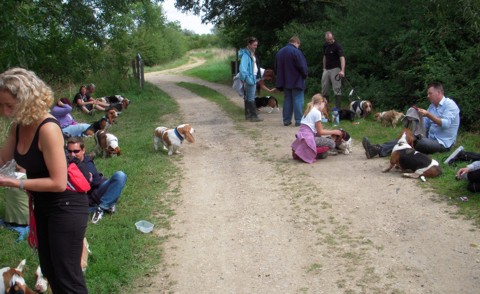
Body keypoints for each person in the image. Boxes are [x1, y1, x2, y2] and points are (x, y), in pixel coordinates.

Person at [0, 67, 89, 293]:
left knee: (67, 276)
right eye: (1, 105)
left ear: (28, 100)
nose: (5, 112)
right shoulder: (19, 126)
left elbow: (58, 182)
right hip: (43, 205)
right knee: (50, 271)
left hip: (66, 205)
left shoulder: (48, 128)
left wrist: (14, 182)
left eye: (10, 105)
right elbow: (2, 159)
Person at [363, 82, 460, 158]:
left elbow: (446, 124)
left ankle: (402, 152)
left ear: (438, 92)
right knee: (407, 137)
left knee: (419, 142)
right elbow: (425, 125)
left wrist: (428, 115)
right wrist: (416, 120)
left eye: (430, 93)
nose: (428, 96)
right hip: (430, 139)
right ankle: (377, 149)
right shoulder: (433, 106)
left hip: (443, 144)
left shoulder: (450, 105)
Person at [66, 137, 127, 224]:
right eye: (69, 151)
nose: (72, 154)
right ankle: (108, 204)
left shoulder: (87, 162)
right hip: (85, 198)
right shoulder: (66, 163)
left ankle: (101, 208)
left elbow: (90, 177)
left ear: (83, 150)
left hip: (99, 190)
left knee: (120, 176)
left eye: (76, 151)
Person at [291, 94, 342, 163]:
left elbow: (316, 132)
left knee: (325, 140)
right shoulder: (317, 112)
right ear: (321, 102)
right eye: (324, 105)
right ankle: (311, 153)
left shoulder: (308, 110)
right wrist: (334, 131)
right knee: (332, 143)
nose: (324, 108)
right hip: (309, 139)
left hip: (303, 138)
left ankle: (303, 151)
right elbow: (320, 132)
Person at [275, 36, 308, 126]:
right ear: (296, 42)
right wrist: (305, 75)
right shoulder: (296, 52)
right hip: (296, 80)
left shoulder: (280, 52)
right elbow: (302, 66)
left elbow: (277, 67)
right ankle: (298, 120)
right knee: (298, 99)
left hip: (285, 80)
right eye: (298, 45)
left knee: (287, 99)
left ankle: (286, 120)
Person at [238, 36, 263, 122]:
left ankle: (248, 115)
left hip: (252, 77)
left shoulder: (251, 53)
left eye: (256, 45)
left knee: (248, 97)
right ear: (249, 44)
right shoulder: (246, 55)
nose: (256, 47)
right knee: (251, 97)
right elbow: (242, 68)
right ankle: (253, 116)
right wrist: (246, 78)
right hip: (250, 79)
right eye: (254, 45)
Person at [321, 31, 346, 109]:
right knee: (324, 88)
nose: (330, 41)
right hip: (326, 69)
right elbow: (324, 56)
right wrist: (324, 68)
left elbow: (342, 58)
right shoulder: (325, 46)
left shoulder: (337, 46)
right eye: (328, 39)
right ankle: (326, 107)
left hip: (335, 69)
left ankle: (337, 109)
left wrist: (342, 70)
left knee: (337, 88)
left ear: (333, 37)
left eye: (331, 39)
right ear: (326, 39)